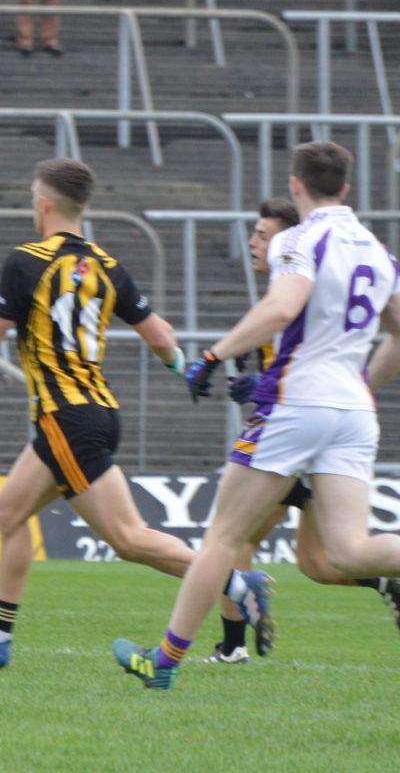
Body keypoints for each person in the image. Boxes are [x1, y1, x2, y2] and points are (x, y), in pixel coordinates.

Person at [0, 158, 271, 669]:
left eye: (32, 196)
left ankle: (233, 582)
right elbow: (160, 336)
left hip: (66, 415)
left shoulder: (27, 260)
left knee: (129, 539)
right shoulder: (108, 265)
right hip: (90, 411)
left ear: (44, 203)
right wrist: (178, 364)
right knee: (9, 511)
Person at [115, 142, 400, 690]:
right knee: (347, 551)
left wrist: (211, 355)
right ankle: (178, 657)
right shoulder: (378, 251)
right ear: (344, 187)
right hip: (355, 414)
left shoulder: (300, 238)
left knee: (222, 536)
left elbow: (281, 308)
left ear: (296, 185)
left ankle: (164, 662)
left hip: (300, 404)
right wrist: (361, 383)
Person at [208, 200, 400, 663]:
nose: (256, 243)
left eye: (264, 234)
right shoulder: (283, 293)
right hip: (313, 437)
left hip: (299, 436)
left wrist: (257, 381)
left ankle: (231, 647)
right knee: (319, 564)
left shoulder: (298, 295)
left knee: (231, 539)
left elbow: (306, 364)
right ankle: (384, 581)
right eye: (253, 234)